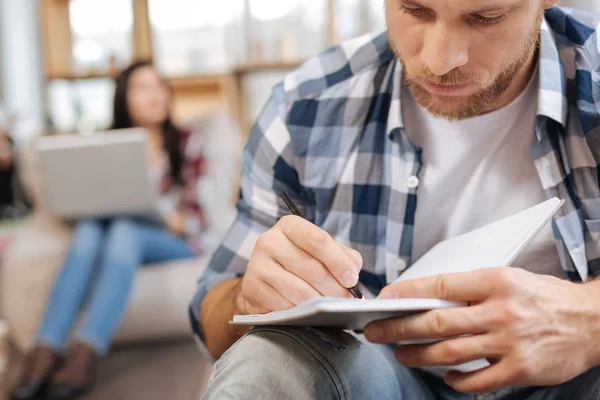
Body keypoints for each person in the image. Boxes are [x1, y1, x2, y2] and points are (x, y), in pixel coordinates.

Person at [191, 1, 600, 399]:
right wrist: (250, 298)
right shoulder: (305, 107)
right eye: (414, 10)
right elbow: (209, 317)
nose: (440, 61)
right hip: (380, 376)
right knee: (268, 361)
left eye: (484, 17)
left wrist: (588, 319)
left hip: (575, 380)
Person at [12, 61, 207, 400]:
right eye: (142, 88)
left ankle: (85, 353)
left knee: (124, 230)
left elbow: (194, 219)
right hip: (116, 234)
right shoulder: (108, 147)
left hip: (179, 240)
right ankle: (45, 352)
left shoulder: (188, 142)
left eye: (159, 86)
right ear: (123, 98)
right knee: (92, 228)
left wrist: (148, 206)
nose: (154, 95)